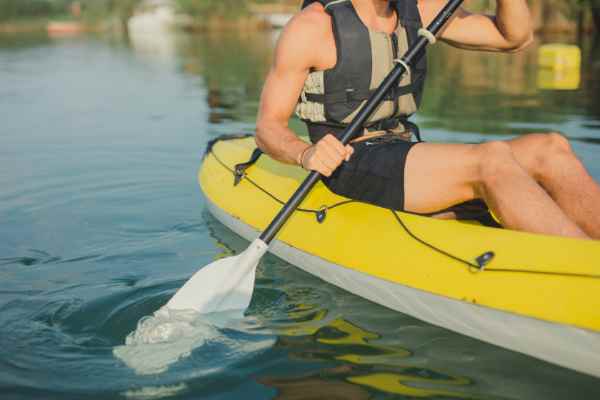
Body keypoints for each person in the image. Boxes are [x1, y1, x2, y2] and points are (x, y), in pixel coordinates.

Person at [255, 0, 600, 240]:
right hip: (349, 161)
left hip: (403, 150)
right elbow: (268, 127)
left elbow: (515, 38)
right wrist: (305, 154)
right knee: (491, 159)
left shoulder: (419, 10)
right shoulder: (314, 27)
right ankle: (584, 273)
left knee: (550, 148)